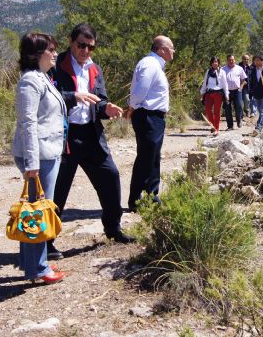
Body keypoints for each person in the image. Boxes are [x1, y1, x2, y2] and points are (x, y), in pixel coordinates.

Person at [49, 24, 133, 260]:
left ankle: (113, 228)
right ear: (71, 42)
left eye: (90, 47)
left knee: (110, 175)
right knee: (58, 188)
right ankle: (47, 241)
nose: (86, 50)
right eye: (81, 45)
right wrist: (74, 97)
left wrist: (107, 108)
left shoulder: (95, 69)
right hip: (65, 135)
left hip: (91, 134)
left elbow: (100, 100)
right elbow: (49, 97)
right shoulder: (55, 65)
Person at [11, 32, 66, 284]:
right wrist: (32, 163)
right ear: (36, 54)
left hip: (47, 152)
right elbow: (28, 123)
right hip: (39, 156)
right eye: (50, 49)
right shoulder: (30, 81)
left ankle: (31, 263)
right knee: (37, 212)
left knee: (34, 209)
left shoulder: (42, 78)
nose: (55, 53)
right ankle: (39, 268)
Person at [126, 35, 174, 212]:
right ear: (161, 49)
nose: (173, 51)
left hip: (154, 117)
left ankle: (151, 196)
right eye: (171, 48)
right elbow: (140, 90)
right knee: (146, 158)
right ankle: (136, 200)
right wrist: (132, 107)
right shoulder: (150, 64)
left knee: (153, 157)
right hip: (148, 116)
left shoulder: (154, 65)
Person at [199, 57, 228, 135]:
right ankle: (212, 126)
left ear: (218, 63)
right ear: (211, 63)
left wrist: (226, 95)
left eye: (216, 62)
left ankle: (216, 129)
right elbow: (205, 83)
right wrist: (202, 93)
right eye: (213, 62)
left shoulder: (222, 72)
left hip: (218, 93)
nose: (215, 63)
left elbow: (225, 84)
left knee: (217, 111)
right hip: (209, 93)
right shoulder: (208, 71)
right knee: (208, 110)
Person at [222, 54, 246, 129]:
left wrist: (241, 88)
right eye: (229, 60)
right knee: (227, 108)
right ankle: (230, 126)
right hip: (227, 92)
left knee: (239, 106)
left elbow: (244, 80)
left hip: (237, 91)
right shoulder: (222, 69)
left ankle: (239, 120)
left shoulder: (239, 68)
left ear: (234, 60)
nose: (231, 61)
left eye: (232, 60)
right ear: (227, 61)